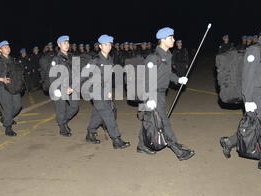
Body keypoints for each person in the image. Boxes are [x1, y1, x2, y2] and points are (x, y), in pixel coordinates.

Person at [220, 17, 261, 175]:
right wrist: (248, 101)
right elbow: (247, 78)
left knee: (254, 127)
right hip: (255, 93)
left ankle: (229, 142)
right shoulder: (255, 50)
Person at [136, 27, 195, 161]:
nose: (173, 40)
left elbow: (167, 74)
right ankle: (178, 150)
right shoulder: (153, 58)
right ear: (163, 40)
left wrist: (178, 79)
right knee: (163, 121)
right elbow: (146, 79)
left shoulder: (167, 55)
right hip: (153, 94)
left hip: (161, 93)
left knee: (149, 121)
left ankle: (141, 145)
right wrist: (150, 98)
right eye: (171, 38)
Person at [84, 34, 130, 149]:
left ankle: (90, 133)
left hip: (105, 92)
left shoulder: (109, 59)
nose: (108, 47)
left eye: (110, 44)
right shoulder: (95, 60)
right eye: (105, 45)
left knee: (98, 115)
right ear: (100, 46)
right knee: (109, 115)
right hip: (97, 92)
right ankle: (116, 139)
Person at [0, 41, 22, 136]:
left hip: (14, 87)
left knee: (18, 106)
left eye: (8, 46)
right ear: (0, 50)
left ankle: (5, 117)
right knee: (8, 108)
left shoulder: (12, 60)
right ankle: (8, 128)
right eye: (5, 47)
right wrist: (2, 79)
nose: (8, 48)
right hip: (3, 88)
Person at [49, 35, 80, 137]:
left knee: (75, 107)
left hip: (71, 87)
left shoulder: (72, 57)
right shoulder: (56, 59)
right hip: (60, 88)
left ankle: (63, 121)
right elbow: (53, 76)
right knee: (61, 109)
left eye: (67, 43)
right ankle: (62, 128)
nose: (66, 45)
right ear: (59, 45)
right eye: (64, 43)